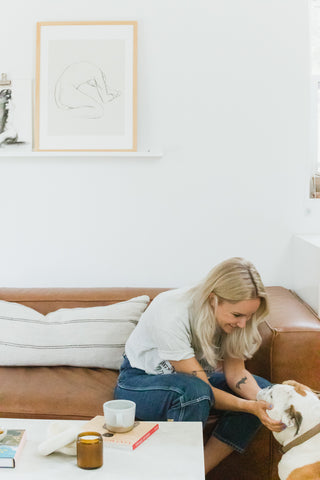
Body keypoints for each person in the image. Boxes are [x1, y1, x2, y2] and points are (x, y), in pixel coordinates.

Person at [114, 257, 284, 474]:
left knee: (262, 389)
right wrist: (247, 406)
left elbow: (236, 373)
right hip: (140, 381)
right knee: (196, 393)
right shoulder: (171, 311)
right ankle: (176, 473)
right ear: (213, 299)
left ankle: (194, 472)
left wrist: (264, 403)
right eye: (237, 315)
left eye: (249, 316)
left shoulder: (239, 321)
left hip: (192, 382)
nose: (243, 323)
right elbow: (202, 388)